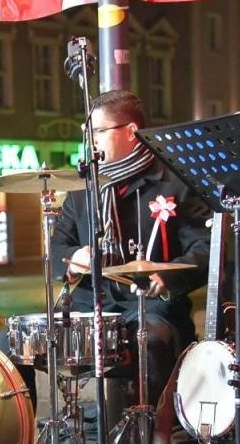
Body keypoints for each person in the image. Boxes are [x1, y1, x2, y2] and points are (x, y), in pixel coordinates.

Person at [47, 89, 211, 421]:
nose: (91, 141)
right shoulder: (83, 188)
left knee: (149, 340)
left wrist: (166, 275)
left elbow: (206, 249)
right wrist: (74, 257)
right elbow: (56, 251)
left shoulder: (175, 182)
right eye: (88, 132)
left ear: (131, 131)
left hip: (151, 306)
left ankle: (156, 434)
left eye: (98, 131)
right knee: (10, 342)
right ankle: (26, 440)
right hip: (91, 304)